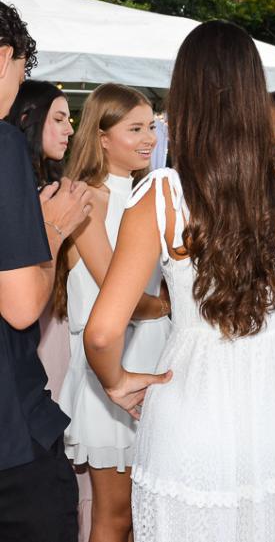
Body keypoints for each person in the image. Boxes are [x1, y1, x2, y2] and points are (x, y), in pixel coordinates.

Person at [83, 20, 275, 542]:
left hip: (185, 421)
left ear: (185, 99)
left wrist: (117, 383)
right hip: (269, 429)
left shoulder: (161, 194)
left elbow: (102, 333)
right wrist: (265, 331)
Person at [56, 83, 171, 542]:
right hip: (109, 361)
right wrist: (172, 305)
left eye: (152, 128)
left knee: (150, 512)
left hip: (156, 354)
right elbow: (116, 291)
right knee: (116, 515)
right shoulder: (85, 199)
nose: (149, 139)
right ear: (102, 137)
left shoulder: (150, 196)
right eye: (135, 129)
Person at [0, 1, 92, 542]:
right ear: (3, 58)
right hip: (11, 437)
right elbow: (19, 307)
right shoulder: (3, 144)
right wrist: (54, 230)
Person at [7, 79, 73, 189]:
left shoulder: (48, 179)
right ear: (26, 120)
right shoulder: (9, 180)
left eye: (68, 120)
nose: (70, 130)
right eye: (58, 119)